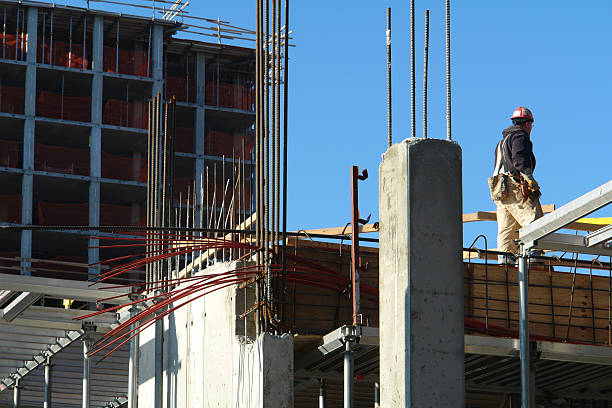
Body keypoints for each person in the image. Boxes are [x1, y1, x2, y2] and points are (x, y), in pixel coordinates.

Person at [491, 106, 544, 265]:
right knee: (534, 217)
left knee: (507, 225)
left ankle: (506, 257)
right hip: (513, 184)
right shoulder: (520, 136)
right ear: (527, 123)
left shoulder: (502, 142)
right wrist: (529, 178)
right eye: (531, 125)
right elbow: (519, 158)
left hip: (499, 188)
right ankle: (534, 254)